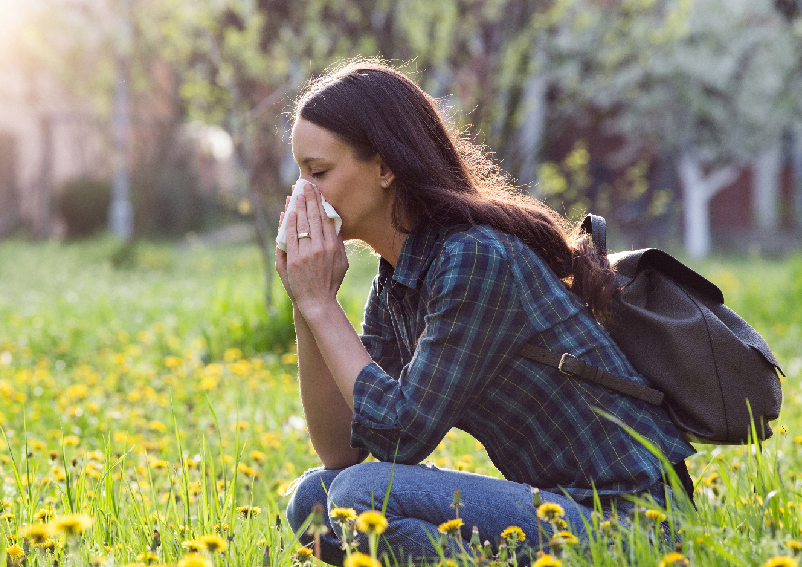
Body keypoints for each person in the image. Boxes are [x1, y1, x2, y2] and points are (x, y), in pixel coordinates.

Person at [275, 59, 694, 566]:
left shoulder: (473, 258)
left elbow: (401, 436)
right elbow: (343, 451)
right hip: (563, 514)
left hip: (636, 527)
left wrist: (322, 306)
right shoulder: (397, 280)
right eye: (299, 173)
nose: (302, 194)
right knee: (314, 500)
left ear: (385, 168)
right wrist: (306, 302)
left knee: (360, 497)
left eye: (318, 172)